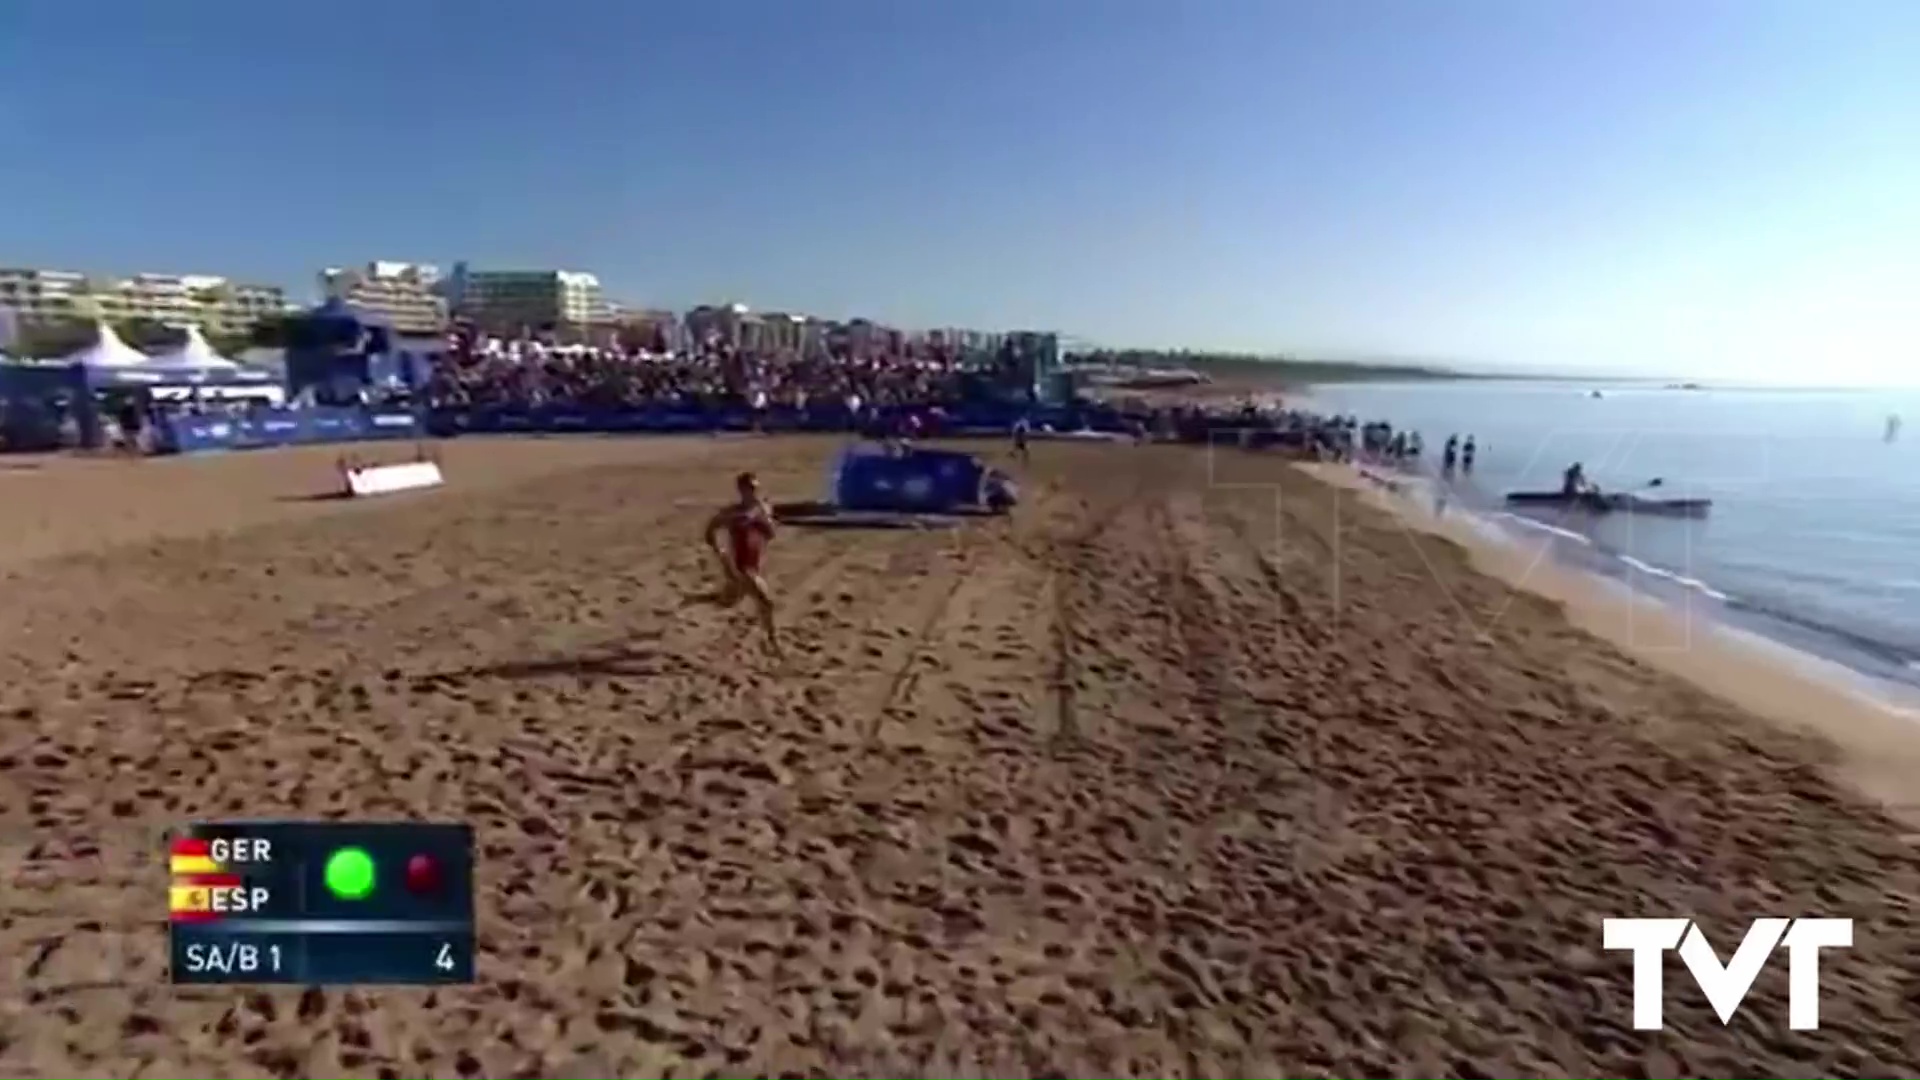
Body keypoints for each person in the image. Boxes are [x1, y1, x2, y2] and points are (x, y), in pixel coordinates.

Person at [688, 471, 781, 657]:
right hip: (740, 567)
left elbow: (771, 534)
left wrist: (764, 520)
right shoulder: (733, 513)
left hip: (753, 565)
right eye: (750, 488)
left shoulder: (762, 509)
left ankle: (692, 601)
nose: (754, 492)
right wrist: (720, 552)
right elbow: (711, 529)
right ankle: (772, 645)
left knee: (727, 602)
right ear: (741, 490)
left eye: (756, 488)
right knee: (767, 603)